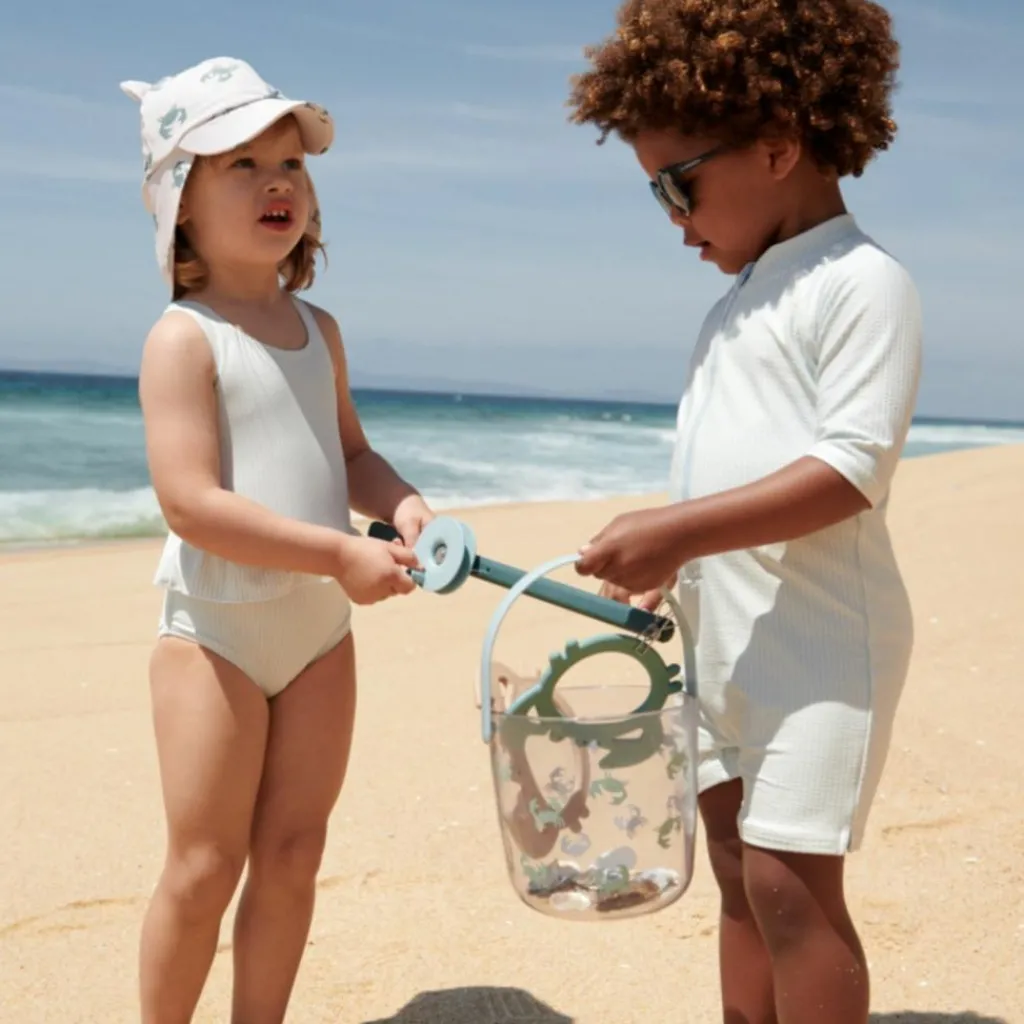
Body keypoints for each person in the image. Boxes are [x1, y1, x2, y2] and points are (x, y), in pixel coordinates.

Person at [567, 3, 922, 1022]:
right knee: (730, 872)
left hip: (820, 650)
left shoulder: (862, 283)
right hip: (725, 645)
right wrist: (673, 553)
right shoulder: (733, 304)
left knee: (787, 887)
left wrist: (675, 530)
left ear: (777, 146)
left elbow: (850, 468)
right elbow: (722, 472)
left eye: (678, 185)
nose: (673, 218)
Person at [121, 57, 434, 1024]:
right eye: (241, 164)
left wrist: (404, 506)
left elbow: (349, 455)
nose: (278, 183)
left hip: (315, 638)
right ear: (180, 202)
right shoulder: (184, 337)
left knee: (295, 852)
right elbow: (192, 503)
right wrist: (339, 553)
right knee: (205, 863)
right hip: (213, 635)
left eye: (291, 163)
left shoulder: (318, 329)